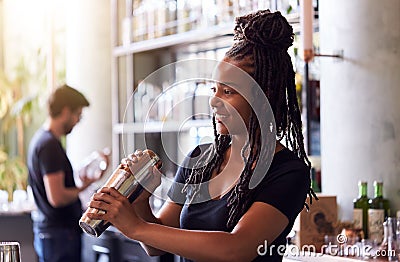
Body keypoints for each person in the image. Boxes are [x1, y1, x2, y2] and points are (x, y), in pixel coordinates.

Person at [88, 10, 316, 261]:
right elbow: (156, 246)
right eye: (214, 89)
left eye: (228, 91)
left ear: (264, 95)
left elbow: (238, 248)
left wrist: (135, 227)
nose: (214, 102)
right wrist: (142, 200)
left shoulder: (288, 172)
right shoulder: (201, 159)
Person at [27, 84, 106, 262]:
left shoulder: (41, 140)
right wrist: (85, 186)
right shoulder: (50, 146)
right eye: (77, 114)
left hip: (51, 234)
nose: (78, 120)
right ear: (65, 111)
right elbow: (57, 197)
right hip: (59, 236)